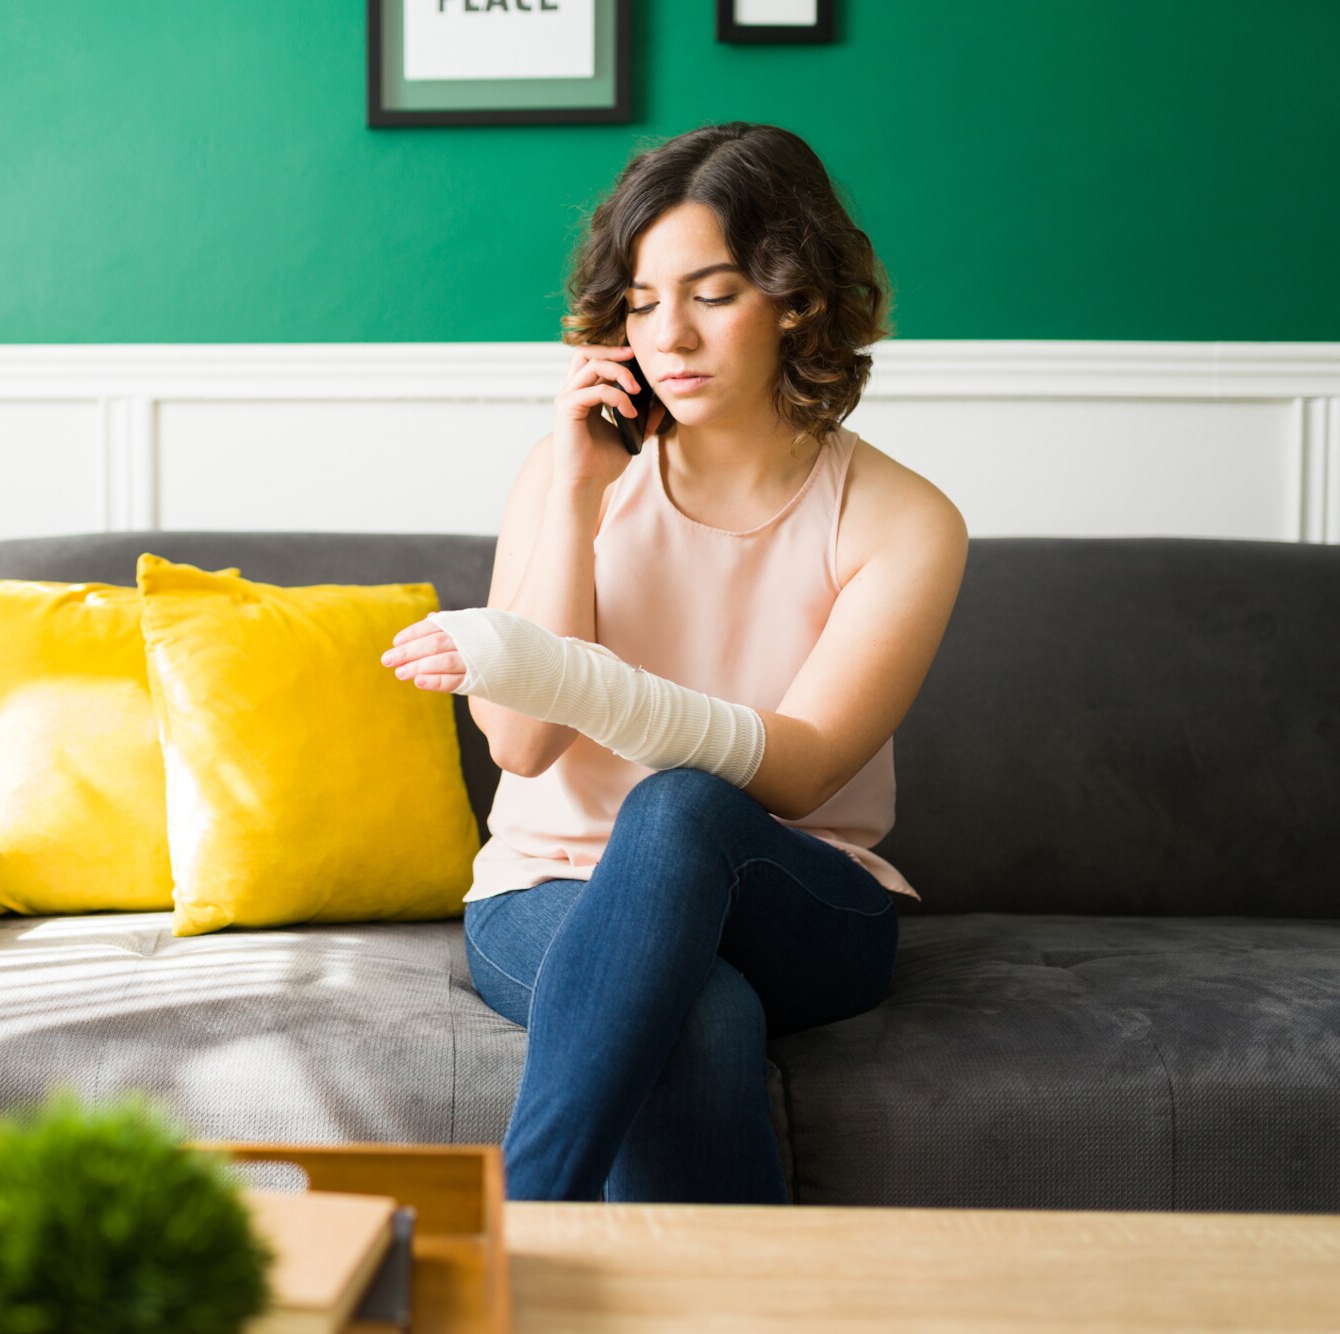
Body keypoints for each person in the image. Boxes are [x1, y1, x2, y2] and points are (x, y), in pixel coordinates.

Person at [377, 122, 968, 1205]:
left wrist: (585, 679)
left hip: (790, 897)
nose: (671, 336)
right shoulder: (561, 480)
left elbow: (794, 775)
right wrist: (572, 494)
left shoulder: (903, 518)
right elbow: (520, 740)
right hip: (545, 891)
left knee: (682, 805)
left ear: (799, 299)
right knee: (697, 1013)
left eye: (713, 292)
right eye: (644, 302)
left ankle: (511, 1235)